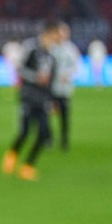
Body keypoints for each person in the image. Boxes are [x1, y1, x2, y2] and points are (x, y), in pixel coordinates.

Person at [1, 20, 58, 180]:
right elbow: (20, 69)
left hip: (42, 99)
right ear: (47, 34)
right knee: (24, 132)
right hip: (28, 96)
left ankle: (28, 165)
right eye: (54, 36)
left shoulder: (51, 56)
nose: (55, 40)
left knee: (44, 133)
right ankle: (12, 155)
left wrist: (52, 100)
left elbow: (50, 81)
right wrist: (34, 77)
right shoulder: (31, 48)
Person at [49, 21, 79, 151]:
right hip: (50, 88)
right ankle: (47, 138)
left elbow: (76, 66)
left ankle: (64, 141)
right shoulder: (51, 48)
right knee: (47, 114)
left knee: (64, 115)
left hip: (64, 89)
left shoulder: (71, 49)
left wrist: (67, 74)